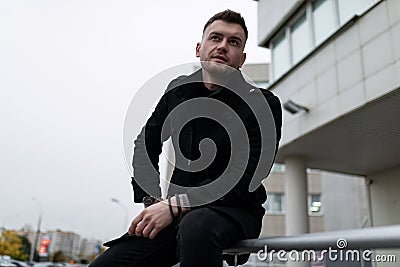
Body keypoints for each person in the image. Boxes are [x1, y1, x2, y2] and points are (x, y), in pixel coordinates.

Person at [90, 9, 282, 267]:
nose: (222, 46)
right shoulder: (177, 91)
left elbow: (248, 177)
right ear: (199, 48)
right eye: (215, 38)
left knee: (197, 225)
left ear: (242, 58)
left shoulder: (263, 104)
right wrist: (152, 201)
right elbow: (146, 143)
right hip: (174, 214)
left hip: (232, 211)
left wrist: (176, 206)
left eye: (233, 42)